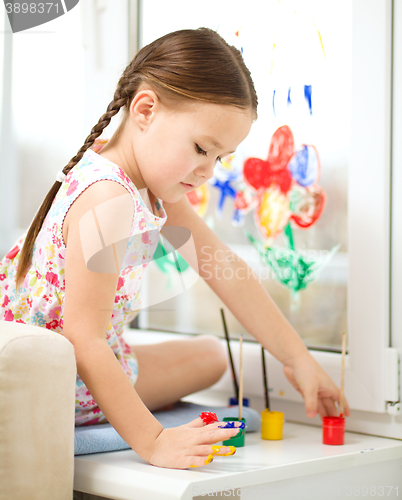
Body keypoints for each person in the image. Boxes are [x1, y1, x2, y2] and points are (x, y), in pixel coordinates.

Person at [0, 28, 349, 469]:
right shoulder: (110, 200)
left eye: (219, 158)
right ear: (145, 109)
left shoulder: (148, 186)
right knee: (194, 360)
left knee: (209, 357)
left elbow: (222, 267)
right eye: (201, 148)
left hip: (75, 363)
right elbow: (83, 340)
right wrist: (155, 441)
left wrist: (298, 358)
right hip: (52, 379)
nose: (207, 171)